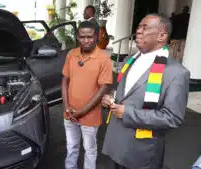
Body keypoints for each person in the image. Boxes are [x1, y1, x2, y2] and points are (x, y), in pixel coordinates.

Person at [101, 14, 190, 169]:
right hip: (117, 145)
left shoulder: (176, 73)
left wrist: (127, 113)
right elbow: (125, 93)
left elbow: (172, 117)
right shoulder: (130, 60)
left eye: (145, 27)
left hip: (141, 153)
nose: (139, 31)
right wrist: (110, 98)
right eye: (138, 27)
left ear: (162, 36)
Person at [61, 21, 112, 169]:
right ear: (77, 37)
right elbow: (65, 80)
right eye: (82, 37)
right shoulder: (71, 54)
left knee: (89, 149)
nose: (86, 40)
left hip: (89, 116)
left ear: (96, 37)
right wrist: (67, 106)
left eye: (90, 37)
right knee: (71, 146)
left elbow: (103, 88)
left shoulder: (103, 58)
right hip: (69, 113)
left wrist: (82, 112)